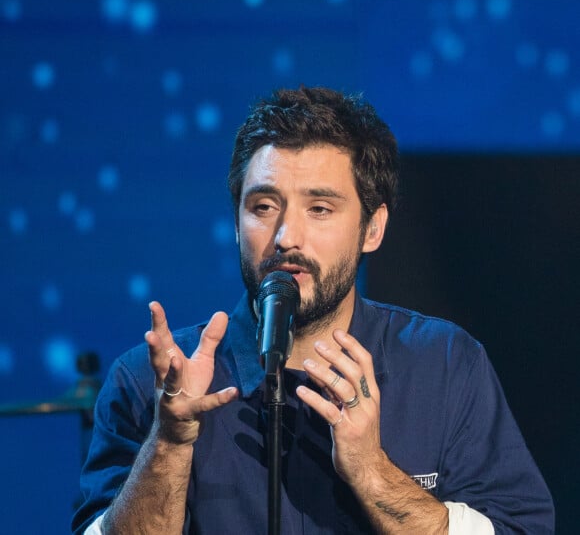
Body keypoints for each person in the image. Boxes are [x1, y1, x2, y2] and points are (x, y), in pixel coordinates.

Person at [72, 86, 554, 534]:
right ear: (237, 225)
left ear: (372, 228)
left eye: (320, 208)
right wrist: (170, 443)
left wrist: (373, 474)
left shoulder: (445, 364)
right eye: (263, 206)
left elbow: (519, 527)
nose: (286, 237)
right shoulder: (148, 381)